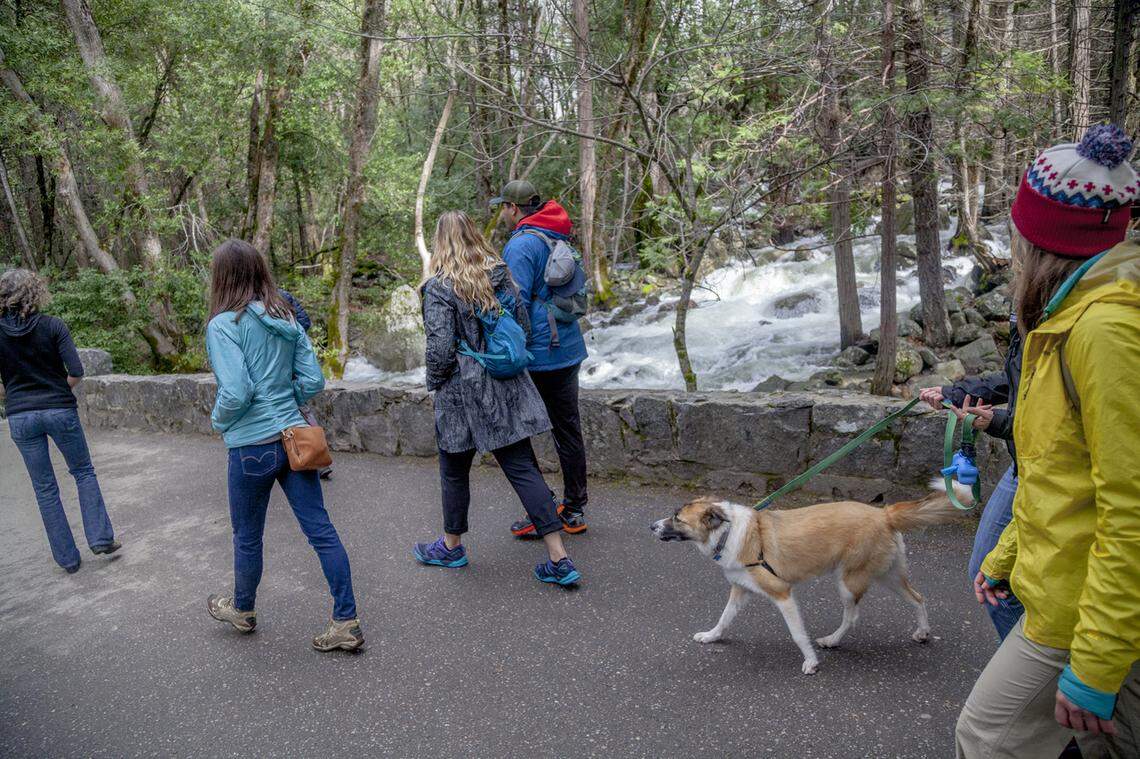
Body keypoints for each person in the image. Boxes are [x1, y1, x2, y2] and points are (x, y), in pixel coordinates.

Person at [955, 125, 1140, 758]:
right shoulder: (1067, 314)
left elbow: (1131, 511)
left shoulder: (1105, 332)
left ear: (1040, 237)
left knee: (986, 739)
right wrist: (1007, 551)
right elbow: (1057, 469)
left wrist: (1092, 666)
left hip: (1082, 603)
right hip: (1068, 580)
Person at [204, 239, 363, 651]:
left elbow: (236, 391)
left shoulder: (224, 325)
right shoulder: (286, 318)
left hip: (250, 446)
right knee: (321, 531)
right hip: (296, 439)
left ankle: (243, 609)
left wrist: (218, 419)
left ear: (222, 278)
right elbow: (312, 383)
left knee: (248, 536)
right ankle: (346, 620)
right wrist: (281, 394)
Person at [412, 210, 581, 586]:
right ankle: (559, 557)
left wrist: (436, 384)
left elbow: (439, 348)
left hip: (461, 391)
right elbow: (520, 327)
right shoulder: (499, 274)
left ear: (441, 243)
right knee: (522, 467)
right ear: (473, 235)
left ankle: (451, 546)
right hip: (505, 384)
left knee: (454, 470)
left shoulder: (439, 287)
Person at [0, 269, 120, 573]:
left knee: (44, 488)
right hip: (60, 410)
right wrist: (54, 391)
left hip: (20, 417)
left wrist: (16, 395)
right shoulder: (53, 326)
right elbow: (77, 371)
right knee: (82, 471)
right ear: (35, 293)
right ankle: (101, 539)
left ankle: (67, 559)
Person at [491, 180, 590, 537]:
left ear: (514, 209)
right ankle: (574, 510)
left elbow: (511, 304)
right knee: (568, 429)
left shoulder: (520, 244)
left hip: (537, 356)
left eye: (502, 207)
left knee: (517, 433)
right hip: (568, 348)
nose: (501, 214)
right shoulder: (556, 235)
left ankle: (541, 510)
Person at [919, 305, 1024, 640]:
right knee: (986, 568)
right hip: (1022, 463)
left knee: (989, 572)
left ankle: (1036, 671)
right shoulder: (1024, 300)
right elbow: (1017, 381)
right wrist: (957, 392)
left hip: (1042, 467)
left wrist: (998, 422)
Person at [277, 288, 332, 480]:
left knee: (299, 408)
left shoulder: (266, 299)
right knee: (301, 408)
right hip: (292, 356)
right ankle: (318, 457)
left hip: (283, 360)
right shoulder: (282, 294)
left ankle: (316, 458)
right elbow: (304, 321)